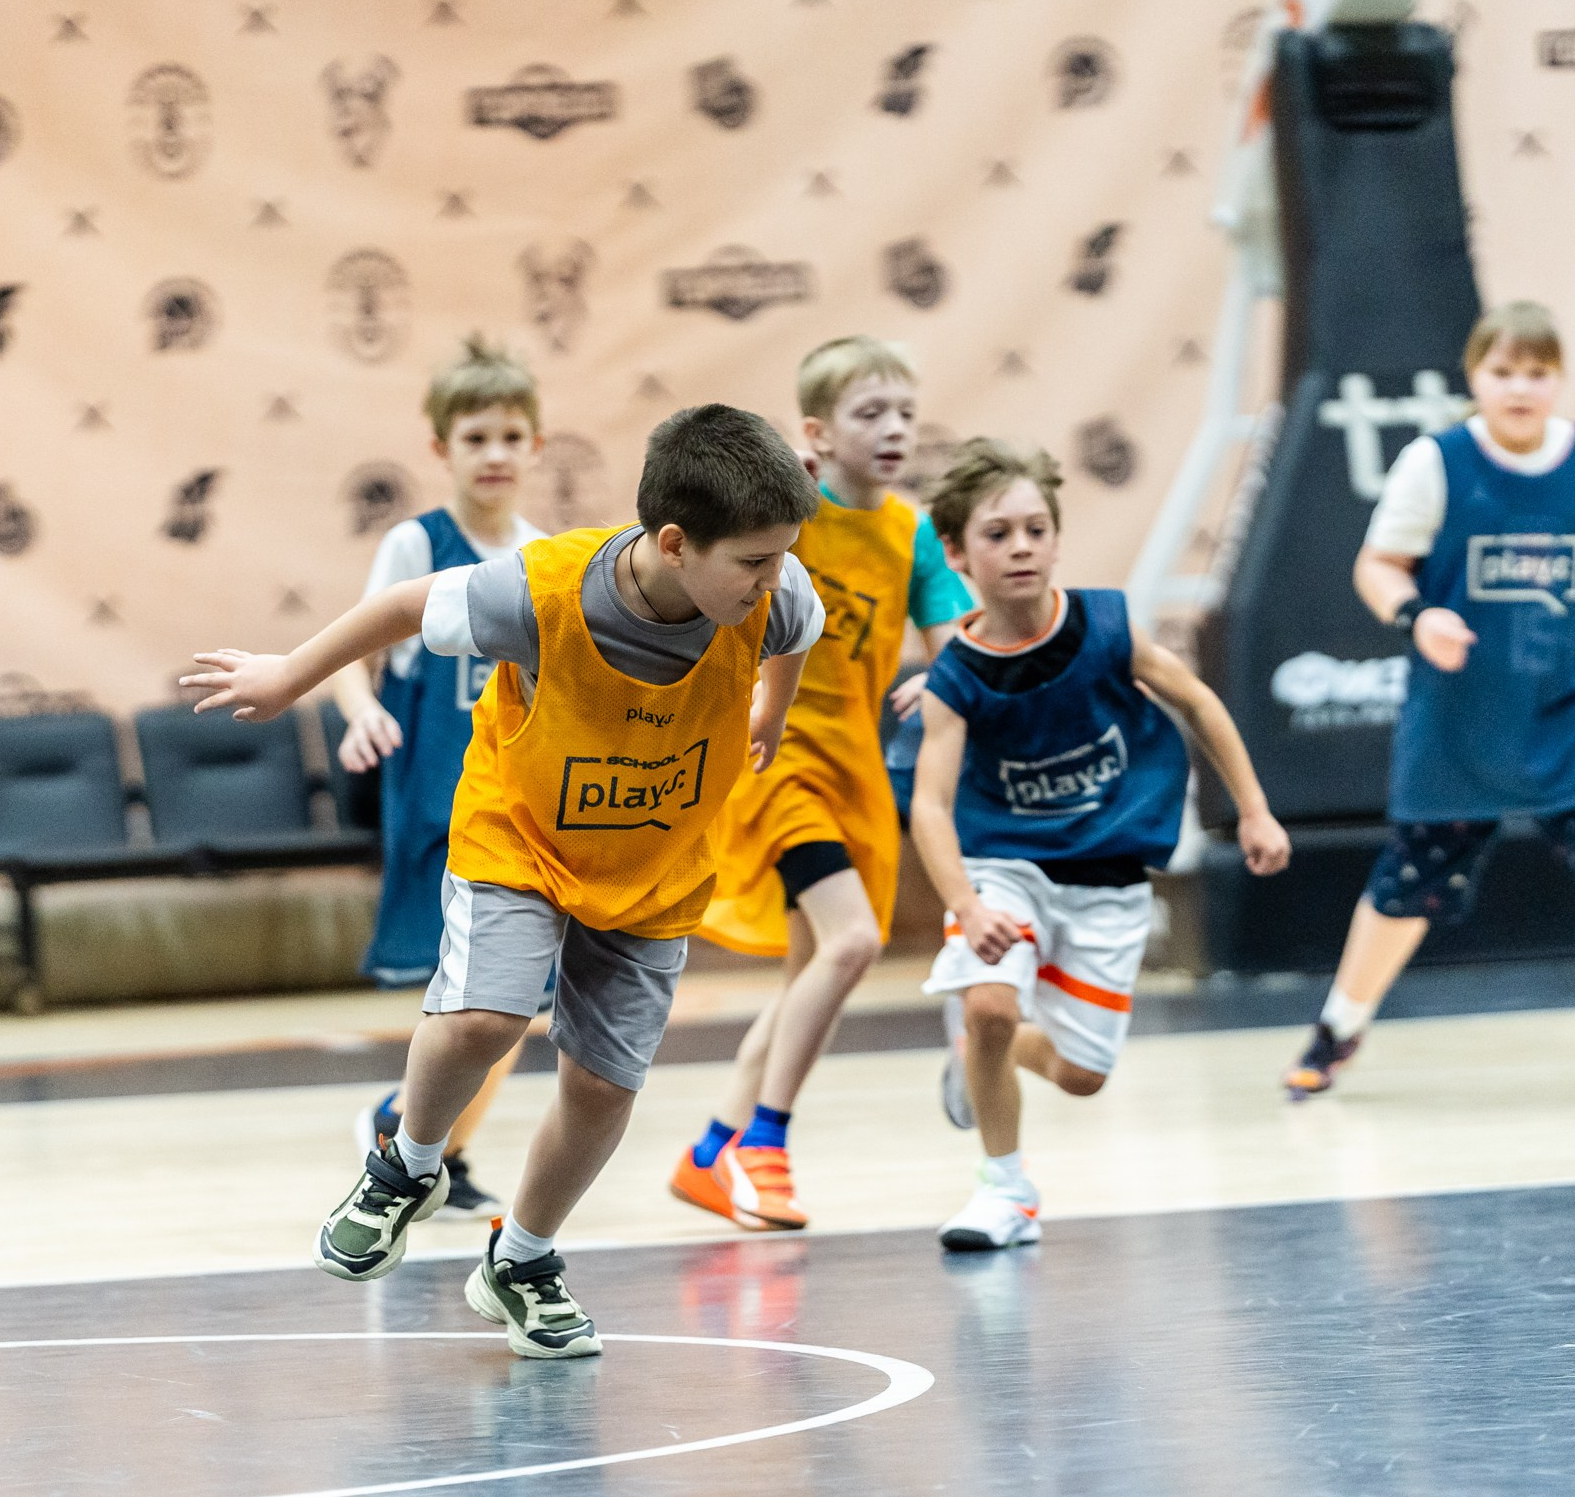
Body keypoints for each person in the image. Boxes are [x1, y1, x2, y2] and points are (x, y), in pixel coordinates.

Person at [184, 405, 823, 1360]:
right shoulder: (539, 589)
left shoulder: (775, 593)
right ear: (675, 541)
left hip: (652, 861)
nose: (775, 580)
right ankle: (405, 1167)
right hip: (520, 835)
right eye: (756, 562)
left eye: (781, 559)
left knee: (605, 1086)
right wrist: (290, 675)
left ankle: (522, 1258)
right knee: (486, 1017)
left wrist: (771, 704)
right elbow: (402, 608)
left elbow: (796, 633)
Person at [1282, 300, 1575, 1099]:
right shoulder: (1436, 463)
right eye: (1503, 371)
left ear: (1558, 381)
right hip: (1462, 718)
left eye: (1537, 373)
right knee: (1409, 885)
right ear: (1475, 376)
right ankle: (1339, 1025)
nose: (1520, 387)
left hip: (1574, 710)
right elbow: (1378, 565)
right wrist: (1417, 613)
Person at [909, 440, 1290, 1252]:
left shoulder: (1108, 625)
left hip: (1106, 874)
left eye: (1035, 529)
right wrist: (966, 905)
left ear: (1055, 537)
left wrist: (1253, 810)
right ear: (955, 552)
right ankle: (1004, 1190)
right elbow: (932, 808)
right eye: (997, 533)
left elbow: (1199, 701)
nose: (1020, 547)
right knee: (988, 1002)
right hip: (1003, 863)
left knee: (1084, 1076)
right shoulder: (956, 676)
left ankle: (981, 1058)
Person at [670, 337, 972, 1232]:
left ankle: (708, 1154)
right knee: (851, 944)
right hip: (776, 757)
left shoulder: (913, 533)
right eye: (869, 413)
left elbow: (956, 647)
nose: (894, 430)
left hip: (855, 769)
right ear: (815, 432)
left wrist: (951, 679)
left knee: (815, 970)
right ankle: (766, 1141)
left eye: (906, 414)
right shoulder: (785, 512)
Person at [330, 337, 549, 1220]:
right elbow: (354, 646)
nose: (494, 453)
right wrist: (360, 710)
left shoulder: (545, 554)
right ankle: (414, 1136)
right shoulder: (415, 543)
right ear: (441, 450)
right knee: (462, 997)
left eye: (510, 435)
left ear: (536, 445)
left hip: (518, 798)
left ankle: (425, 1142)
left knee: (516, 1006)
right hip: (433, 794)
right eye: (475, 437)